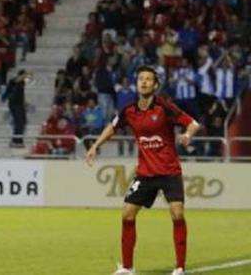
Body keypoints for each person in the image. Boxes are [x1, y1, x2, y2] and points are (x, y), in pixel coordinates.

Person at [86, 66, 201, 275]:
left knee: (177, 214)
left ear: (155, 85)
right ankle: (128, 268)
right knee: (127, 214)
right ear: (137, 83)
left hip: (169, 171)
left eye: (149, 79)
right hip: (145, 174)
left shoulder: (164, 107)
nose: (144, 82)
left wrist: (187, 135)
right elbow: (112, 127)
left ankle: (180, 268)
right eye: (141, 79)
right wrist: (95, 146)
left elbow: (193, 123)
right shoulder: (129, 110)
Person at [3, 70, 31, 147]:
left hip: (20, 104)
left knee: (23, 122)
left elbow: (21, 94)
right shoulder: (13, 81)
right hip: (14, 105)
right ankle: (16, 141)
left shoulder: (22, 83)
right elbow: (15, 81)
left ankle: (19, 139)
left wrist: (24, 102)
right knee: (18, 123)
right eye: (24, 76)